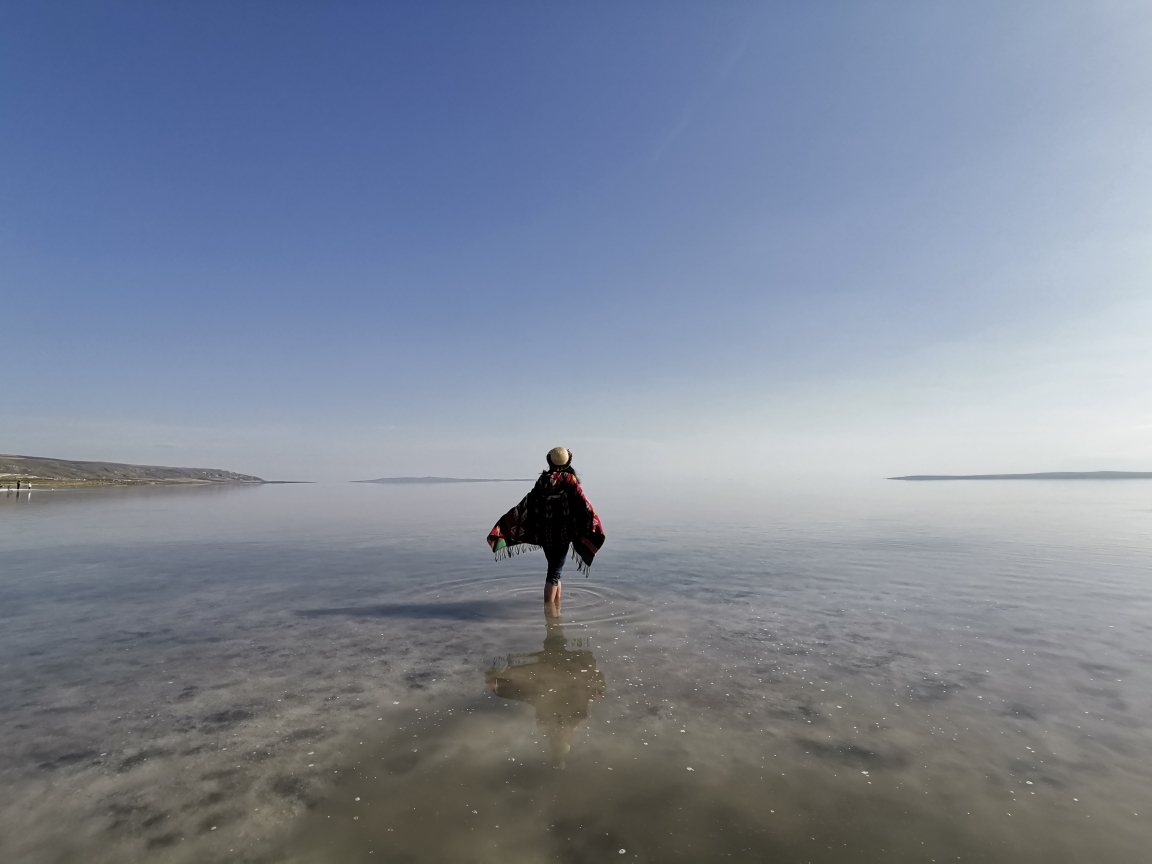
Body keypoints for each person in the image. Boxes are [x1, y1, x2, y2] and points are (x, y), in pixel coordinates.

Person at [487, 447, 605, 608]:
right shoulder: (569, 480)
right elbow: (583, 505)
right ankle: (549, 613)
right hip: (562, 535)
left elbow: (528, 503)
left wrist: (505, 522)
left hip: (544, 535)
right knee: (554, 573)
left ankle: (557, 608)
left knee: (556, 571)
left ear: (549, 461)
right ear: (568, 461)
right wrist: (594, 522)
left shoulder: (542, 481)